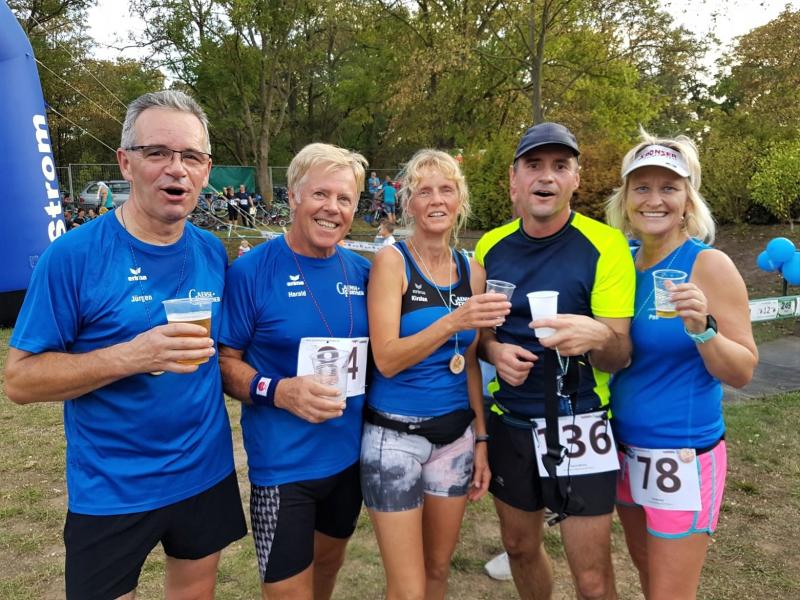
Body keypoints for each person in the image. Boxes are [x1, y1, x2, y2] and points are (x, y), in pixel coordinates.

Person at [4, 90, 247, 600]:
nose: (176, 169)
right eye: (157, 152)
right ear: (126, 163)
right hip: (112, 488)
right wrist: (133, 356)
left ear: (206, 170)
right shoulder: (72, 256)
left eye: (191, 156)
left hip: (204, 472)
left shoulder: (210, 250)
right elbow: (20, 381)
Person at [474, 122, 635, 600]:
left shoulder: (605, 245)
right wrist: (494, 351)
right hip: (511, 420)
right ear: (514, 179)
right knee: (519, 548)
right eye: (534, 165)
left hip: (579, 420)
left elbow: (619, 355)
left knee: (592, 579)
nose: (546, 176)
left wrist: (598, 335)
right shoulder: (490, 247)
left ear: (575, 179)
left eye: (560, 166)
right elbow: (480, 336)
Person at [605, 132, 758, 599]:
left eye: (669, 188)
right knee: (648, 578)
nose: (654, 200)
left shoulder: (708, 265)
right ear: (625, 199)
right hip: (624, 451)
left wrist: (703, 329)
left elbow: (742, 371)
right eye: (642, 187)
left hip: (682, 455)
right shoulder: (619, 265)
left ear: (688, 199)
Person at [217, 143, 370, 599]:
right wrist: (279, 391)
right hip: (283, 469)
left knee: (328, 569)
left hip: (349, 461)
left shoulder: (364, 272)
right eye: (321, 194)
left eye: (344, 199)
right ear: (293, 196)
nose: (332, 208)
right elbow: (224, 363)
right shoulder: (251, 271)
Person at [362, 149, 509, 600]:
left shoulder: (472, 271)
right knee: (407, 588)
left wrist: (481, 439)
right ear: (408, 203)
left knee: (438, 570)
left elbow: (470, 364)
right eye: (424, 191)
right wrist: (452, 322)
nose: (436, 200)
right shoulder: (392, 262)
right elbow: (386, 359)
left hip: (455, 439)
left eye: (446, 189)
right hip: (394, 439)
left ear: (460, 200)